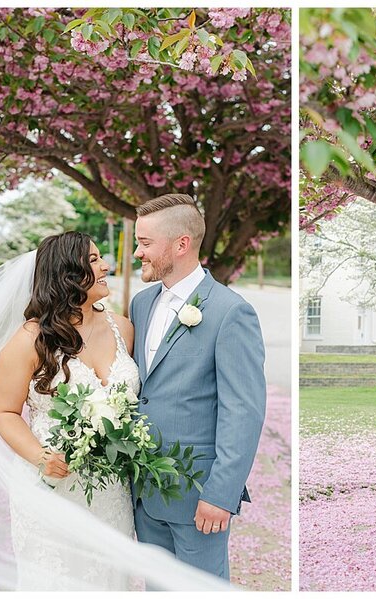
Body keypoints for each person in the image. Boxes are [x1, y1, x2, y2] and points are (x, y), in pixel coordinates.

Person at [0, 231, 228, 590]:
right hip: (51, 488)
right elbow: (5, 413)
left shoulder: (123, 328)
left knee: (108, 582)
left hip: (110, 492)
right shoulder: (30, 341)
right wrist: (41, 457)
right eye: (93, 260)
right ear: (67, 274)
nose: (106, 265)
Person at [129, 193, 267, 581]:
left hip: (197, 496)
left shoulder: (230, 311)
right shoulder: (141, 304)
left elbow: (244, 410)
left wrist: (220, 495)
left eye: (145, 243)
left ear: (181, 244)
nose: (138, 253)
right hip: (144, 489)